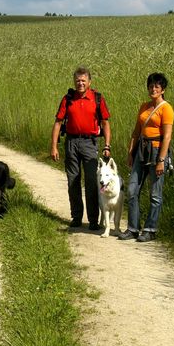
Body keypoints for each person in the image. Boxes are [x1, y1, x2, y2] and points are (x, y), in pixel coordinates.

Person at [51, 66, 112, 230]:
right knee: (73, 181)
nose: (80, 83)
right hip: (71, 142)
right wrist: (54, 146)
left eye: (83, 80)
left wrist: (107, 145)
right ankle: (76, 216)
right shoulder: (68, 99)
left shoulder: (97, 99)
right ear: (74, 81)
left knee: (92, 182)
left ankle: (93, 220)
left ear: (89, 82)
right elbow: (58, 123)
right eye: (77, 80)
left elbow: (105, 123)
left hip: (90, 143)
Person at [118, 72, 174, 242]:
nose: (153, 89)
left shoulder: (166, 108)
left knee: (155, 194)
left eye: (157, 86)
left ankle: (150, 229)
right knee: (132, 190)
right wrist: (130, 152)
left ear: (163, 89)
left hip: (157, 151)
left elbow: (167, 137)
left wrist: (161, 161)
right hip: (141, 151)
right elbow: (136, 132)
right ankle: (133, 228)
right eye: (150, 86)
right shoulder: (143, 107)